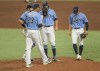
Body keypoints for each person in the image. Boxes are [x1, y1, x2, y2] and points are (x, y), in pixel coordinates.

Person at [19, 3, 51, 68]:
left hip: (28, 32)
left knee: (28, 47)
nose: (39, 8)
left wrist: (25, 26)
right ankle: (45, 60)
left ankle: (28, 63)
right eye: (38, 8)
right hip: (35, 32)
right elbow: (39, 25)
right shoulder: (38, 15)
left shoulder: (28, 14)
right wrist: (43, 25)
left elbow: (22, 20)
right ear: (36, 8)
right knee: (40, 46)